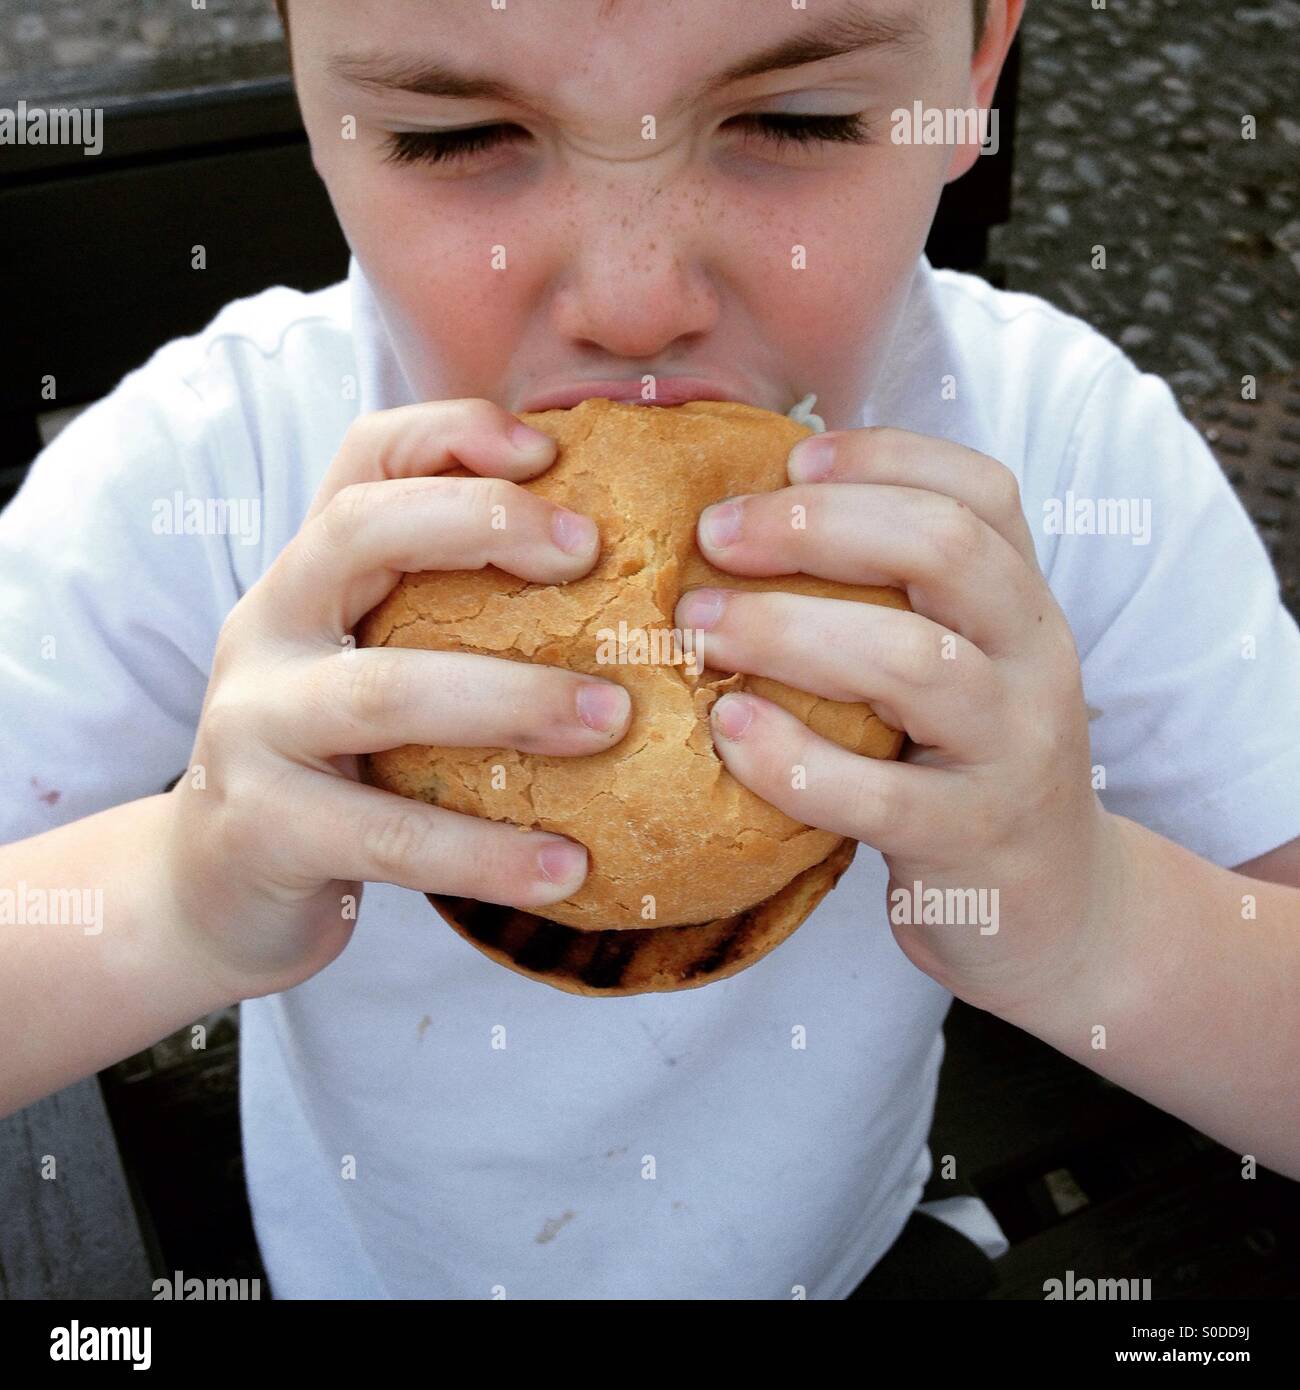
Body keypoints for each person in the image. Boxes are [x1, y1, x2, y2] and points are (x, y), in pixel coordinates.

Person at [2, 0, 1298, 1300]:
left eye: (796, 119)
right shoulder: (215, 461)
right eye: (453, 135)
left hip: (842, 1255)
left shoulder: (1065, 455)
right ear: (313, 102)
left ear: (972, 72)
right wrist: (179, 895)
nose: (634, 307)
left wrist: (1096, 922)